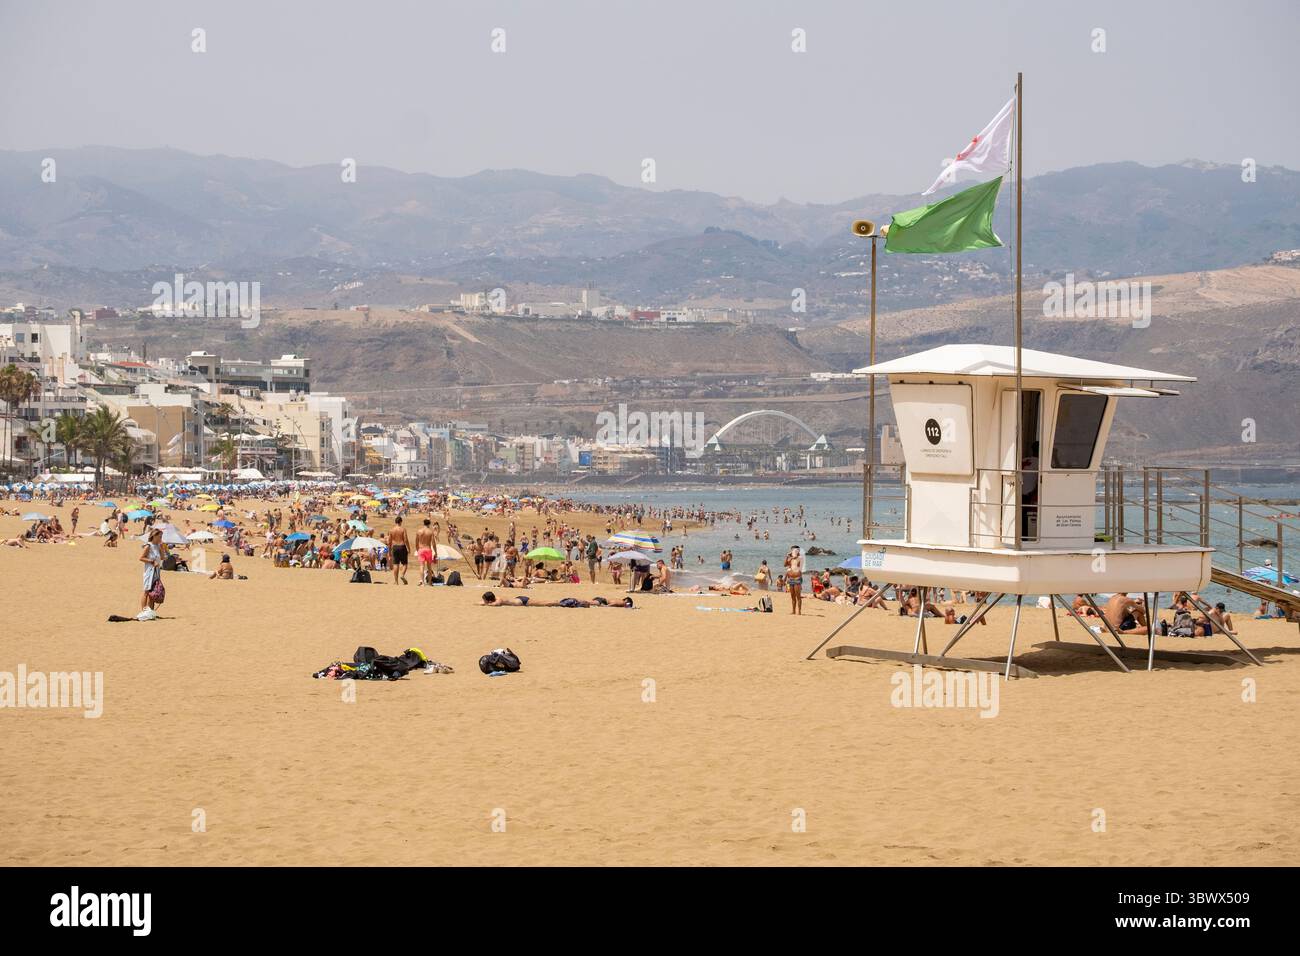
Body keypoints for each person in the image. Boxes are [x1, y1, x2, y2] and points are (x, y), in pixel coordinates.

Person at [139, 527, 166, 614]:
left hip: (156, 572)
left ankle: (150, 611)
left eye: (161, 537)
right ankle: (143, 611)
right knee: (146, 592)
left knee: (153, 591)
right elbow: (141, 558)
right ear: (154, 536)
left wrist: (162, 548)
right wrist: (152, 561)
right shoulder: (148, 546)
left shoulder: (158, 546)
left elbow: (162, 558)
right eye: (160, 537)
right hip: (149, 572)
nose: (161, 539)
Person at [388, 516, 410, 585]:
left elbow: (389, 542)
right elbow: (405, 539)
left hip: (394, 547)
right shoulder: (403, 529)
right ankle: (402, 575)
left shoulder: (391, 530)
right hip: (402, 546)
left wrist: (389, 551)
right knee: (405, 563)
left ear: (395, 522)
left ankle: (396, 581)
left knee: (395, 564)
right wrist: (408, 548)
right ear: (401, 522)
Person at [415, 519, 436, 586]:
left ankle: (423, 582)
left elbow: (416, 542)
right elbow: (433, 543)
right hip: (428, 549)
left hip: (421, 549)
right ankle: (430, 582)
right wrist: (435, 552)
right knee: (429, 567)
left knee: (422, 566)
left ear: (423, 523)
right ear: (429, 524)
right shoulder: (430, 532)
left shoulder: (419, 531)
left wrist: (418, 550)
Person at [784, 546, 803, 615]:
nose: (793, 552)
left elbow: (799, 560)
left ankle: (799, 611)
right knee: (792, 596)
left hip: (797, 578)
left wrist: (794, 556)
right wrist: (787, 556)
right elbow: (785, 564)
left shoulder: (800, 558)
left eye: (794, 550)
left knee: (798, 596)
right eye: (792, 550)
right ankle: (793, 610)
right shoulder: (790, 559)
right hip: (791, 579)